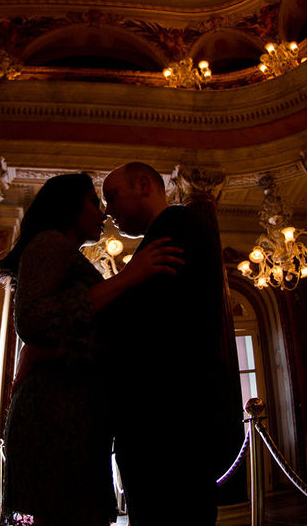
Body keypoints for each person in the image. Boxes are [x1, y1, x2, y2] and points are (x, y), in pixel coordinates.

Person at [0, 172, 182, 526]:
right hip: (56, 412)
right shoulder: (49, 242)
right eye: (95, 202)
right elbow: (32, 321)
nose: (104, 213)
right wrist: (128, 277)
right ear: (70, 205)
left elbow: (64, 332)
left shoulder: (64, 252)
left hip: (71, 409)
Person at [99, 162, 236, 526]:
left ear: (144, 184)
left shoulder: (174, 226)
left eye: (111, 197)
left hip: (167, 424)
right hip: (173, 420)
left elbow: (146, 322)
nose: (107, 211)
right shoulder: (169, 233)